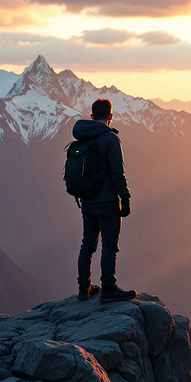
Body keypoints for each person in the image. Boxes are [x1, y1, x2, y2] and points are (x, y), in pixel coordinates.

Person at [73, 98, 137, 304]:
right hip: (107, 201)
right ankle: (108, 288)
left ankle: (84, 288)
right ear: (110, 116)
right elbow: (117, 173)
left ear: (92, 117)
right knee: (109, 245)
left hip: (86, 201)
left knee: (87, 244)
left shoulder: (83, 137)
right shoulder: (111, 139)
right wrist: (125, 198)